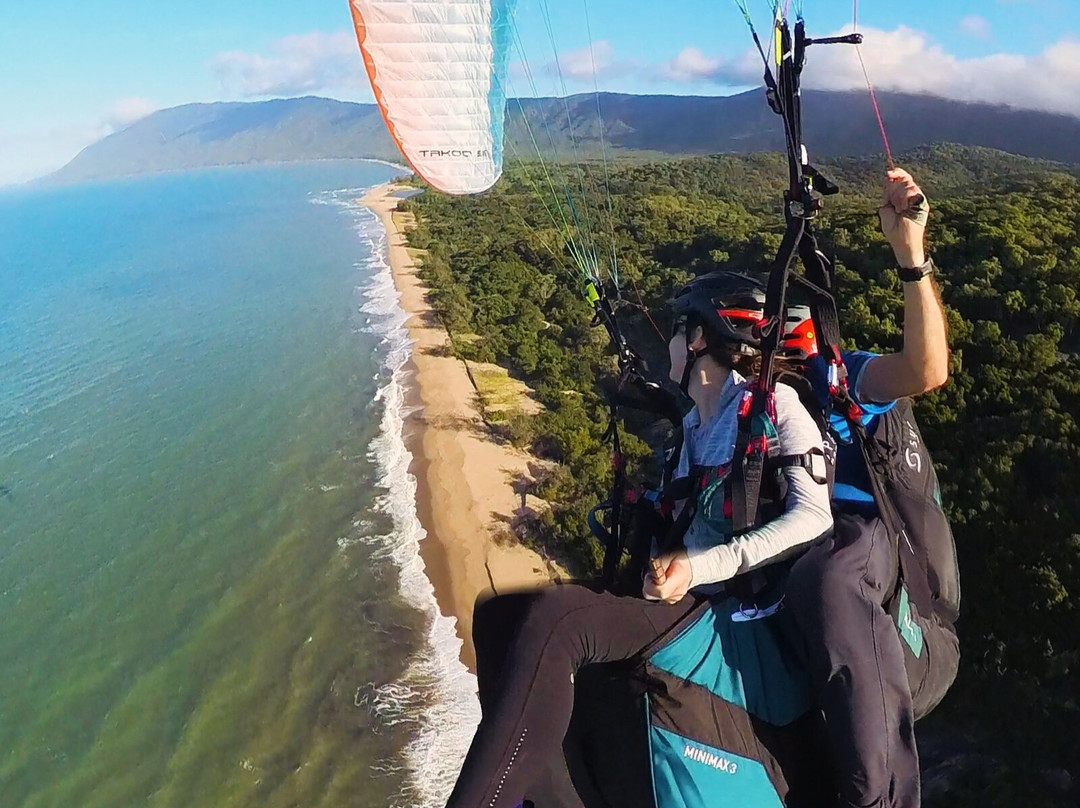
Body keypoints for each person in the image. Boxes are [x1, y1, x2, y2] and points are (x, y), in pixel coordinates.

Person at [444, 272, 834, 808]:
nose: (669, 345)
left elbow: (814, 517)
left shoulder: (773, 406)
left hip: (728, 612)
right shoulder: (696, 424)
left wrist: (698, 567)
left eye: (677, 332)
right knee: (499, 619)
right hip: (684, 598)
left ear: (698, 338)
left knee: (559, 625)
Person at [784, 167, 958, 808]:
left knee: (831, 568)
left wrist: (910, 255)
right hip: (814, 592)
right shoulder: (751, 415)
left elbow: (925, 370)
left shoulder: (842, 380)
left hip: (879, 572)